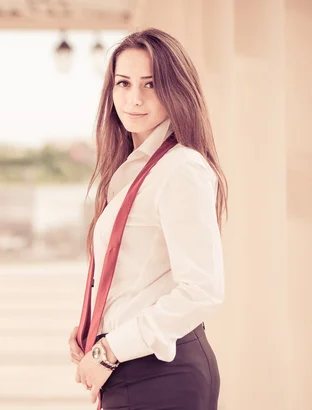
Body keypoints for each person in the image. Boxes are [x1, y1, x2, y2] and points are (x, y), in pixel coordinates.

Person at [67, 28, 227, 410]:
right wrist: (95, 328)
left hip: (163, 373)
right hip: (135, 366)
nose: (134, 98)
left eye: (151, 85)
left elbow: (202, 290)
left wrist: (109, 350)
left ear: (175, 91)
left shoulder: (181, 169)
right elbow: (137, 275)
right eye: (124, 83)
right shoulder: (132, 171)